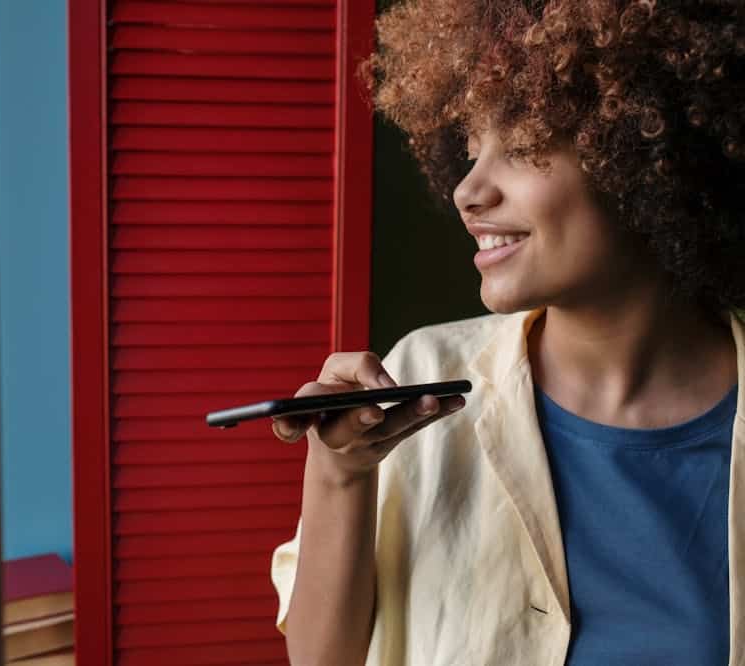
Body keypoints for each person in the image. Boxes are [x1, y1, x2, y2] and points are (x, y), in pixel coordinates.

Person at [268, 1, 745, 664]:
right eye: (470, 149)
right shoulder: (417, 376)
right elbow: (322, 658)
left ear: (647, 152)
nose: (467, 190)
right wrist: (341, 473)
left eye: (521, 146)